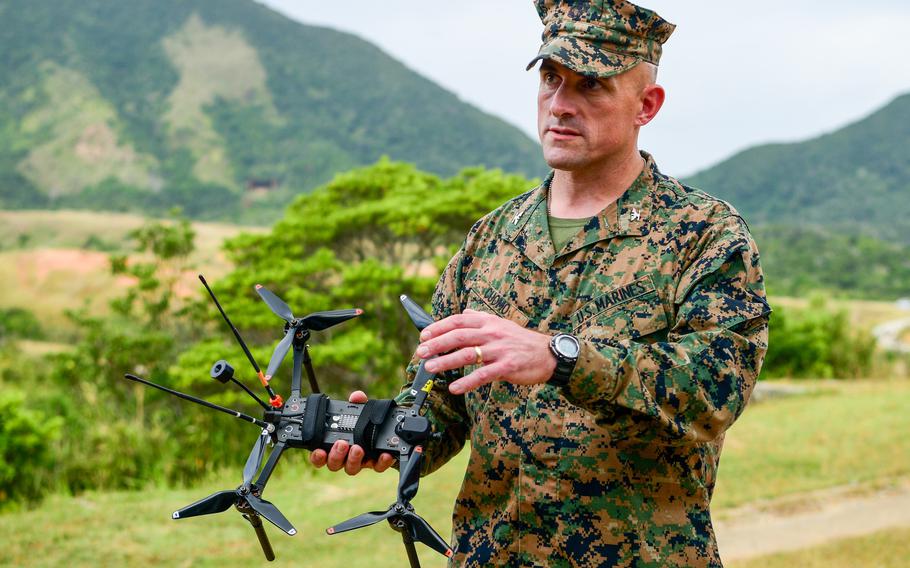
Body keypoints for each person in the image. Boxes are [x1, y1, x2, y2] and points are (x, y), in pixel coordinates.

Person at [312, 1, 771, 566]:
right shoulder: (490, 238)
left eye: (591, 86)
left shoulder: (704, 235)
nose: (560, 105)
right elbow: (442, 401)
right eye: (551, 79)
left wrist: (562, 357)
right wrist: (381, 433)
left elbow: (714, 393)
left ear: (646, 105)